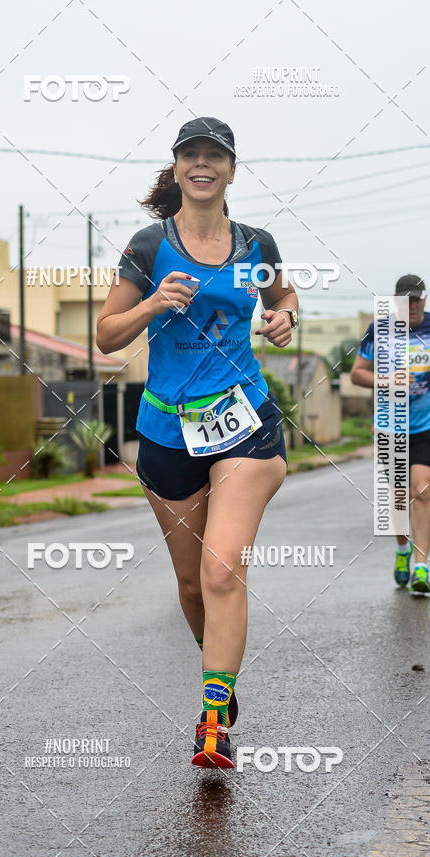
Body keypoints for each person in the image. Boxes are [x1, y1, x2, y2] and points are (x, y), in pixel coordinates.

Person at [96, 117, 298, 768]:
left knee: (222, 568)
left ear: (232, 170)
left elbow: (284, 294)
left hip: (245, 422)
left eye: (216, 155)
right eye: (192, 155)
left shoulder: (256, 243)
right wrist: (153, 304)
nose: (203, 164)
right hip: (165, 430)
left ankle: (213, 719)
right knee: (190, 585)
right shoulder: (149, 246)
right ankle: (221, 673)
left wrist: (284, 316)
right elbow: (106, 334)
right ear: (179, 168)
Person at [351, 275, 430, 594]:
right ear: (396, 301)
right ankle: (403, 550)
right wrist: (387, 381)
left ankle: (421, 567)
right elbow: (357, 374)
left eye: (417, 299)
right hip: (390, 426)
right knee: (400, 495)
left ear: (425, 300)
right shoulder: (379, 329)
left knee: (422, 490)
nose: (412, 305)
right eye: (406, 300)